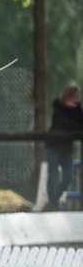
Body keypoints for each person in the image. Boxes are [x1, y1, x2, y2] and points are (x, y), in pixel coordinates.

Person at [46, 82, 83, 210]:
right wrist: (72, 112)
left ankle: (54, 199)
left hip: (67, 149)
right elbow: (64, 124)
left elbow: (79, 125)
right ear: (68, 97)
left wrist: (75, 110)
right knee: (53, 176)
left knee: (68, 176)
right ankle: (52, 201)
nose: (77, 100)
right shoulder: (58, 107)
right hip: (54, 148)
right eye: (75, 97)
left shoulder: (77, 109)